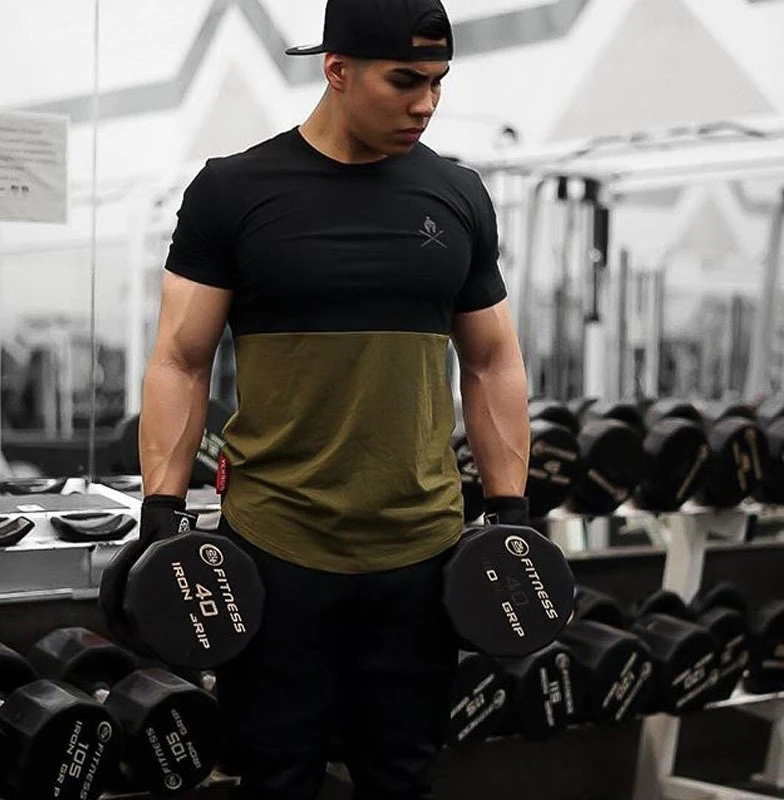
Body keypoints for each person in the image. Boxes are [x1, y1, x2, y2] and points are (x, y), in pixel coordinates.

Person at [137, 0, 531, 796]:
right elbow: (181, 360)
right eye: (406, 81)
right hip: (277, 549)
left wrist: (511, 511)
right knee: (277, 778)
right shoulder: (233, 190)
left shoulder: (457, 193)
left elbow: (492, 362)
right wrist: (161, 514)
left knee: (403, 778)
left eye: (439, 82)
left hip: (420, 552)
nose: (426, 103)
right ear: (337, 69)